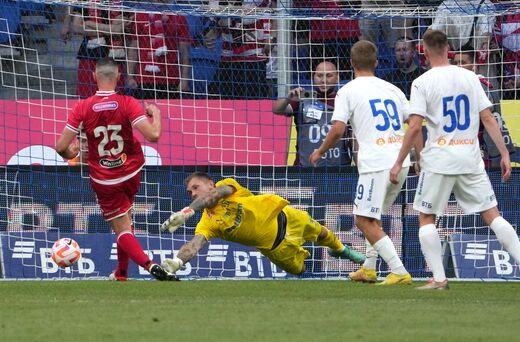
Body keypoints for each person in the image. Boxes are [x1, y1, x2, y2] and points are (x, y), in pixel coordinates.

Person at [389, 30, 520, 291]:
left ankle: (439, 278)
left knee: (426, 217)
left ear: (425, 52)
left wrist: (399, 161)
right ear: (448, 49)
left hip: (439, 158)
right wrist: (505, 153)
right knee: (492, 215)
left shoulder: (421, 82)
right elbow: (488, 117)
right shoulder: (471, 77)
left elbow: (415, 126)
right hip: (470, 157)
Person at [310, 40, 422, 285]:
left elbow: (338, 129)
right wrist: (418, 156)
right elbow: (415, 123)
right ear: (377, 63)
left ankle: (399, 271)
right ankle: (369, 268)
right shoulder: (392, 89)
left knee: (362, 220)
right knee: (375, 217)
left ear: (351, 64)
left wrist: (319, 151)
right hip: (400, 161)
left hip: (376, 163)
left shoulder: (347, 90)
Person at [55, 57, 177, 281]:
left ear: (94, 76)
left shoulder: (82, 107)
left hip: (105, 179)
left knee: (122, 229)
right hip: (131, 171)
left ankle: (150, 266)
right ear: (119, 75)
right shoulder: (128, 103)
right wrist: (156, 115)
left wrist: (72, 154)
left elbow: (61, 147)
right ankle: (121, 273)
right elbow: (154, 135)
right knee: (126, 219)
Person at [159, 172, 366, 276]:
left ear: (210, 184)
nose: (193, 193)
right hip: (276, 249)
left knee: (321, 233)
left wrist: (187, 211)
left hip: (285, 218)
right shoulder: (207, 222)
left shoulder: (226, 186)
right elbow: (195, 245)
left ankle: (340, 250)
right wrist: (177, 262)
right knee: (301, 271)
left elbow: (216, 195)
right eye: (190, 192)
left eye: (196, 187)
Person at [272, 61, 354, 167]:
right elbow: (276, 109)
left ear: (337, 78)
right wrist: (288, 99)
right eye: (319, 75)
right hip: (304, 169)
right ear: (313, 77)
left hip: (338, 170)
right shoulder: (302, 99)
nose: (323, 80)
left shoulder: (345, 101)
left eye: (329, 76)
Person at [453, 47, 514, 166]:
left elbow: (487, 116)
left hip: (476, 147)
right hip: (453, 147)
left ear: (474, 65)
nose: (458, 66)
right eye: (455, 63)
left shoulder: (481, 85)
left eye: (463, 62)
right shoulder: (448, 85)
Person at [126, 0, 192, 99]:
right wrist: (130, 76)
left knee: (171, 113)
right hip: (145, 79)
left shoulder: (179, 17)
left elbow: (185, 52)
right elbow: (133, 49)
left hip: (170, 78)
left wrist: (185, 79)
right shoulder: (140, 15)